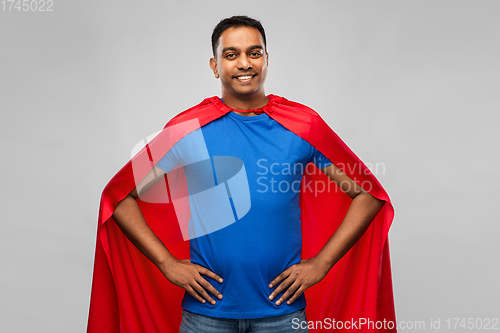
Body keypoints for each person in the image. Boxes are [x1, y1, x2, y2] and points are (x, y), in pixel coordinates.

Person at [87, 16, 396, 333]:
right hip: (205, 317)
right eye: (231, 54)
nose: (244, 63)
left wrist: (322, 263)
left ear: (266, 60)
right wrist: (167, 263)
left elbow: (367, 193)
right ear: (214, 65)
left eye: (255, 52)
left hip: (282, 316)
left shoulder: (303, 125)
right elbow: (120, 195)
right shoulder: (187, 128)